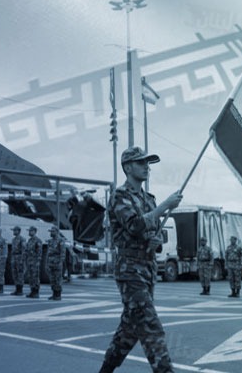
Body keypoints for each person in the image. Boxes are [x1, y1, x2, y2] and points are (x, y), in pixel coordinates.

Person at [98, 146, 182, 373]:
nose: (146, 167)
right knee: (150, 326)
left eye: (148, 163)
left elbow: (153, 233)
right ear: (127, 167)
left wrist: (156, 242)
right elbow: (134, 225)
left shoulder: (149, 199)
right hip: (130, 270)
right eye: (141, 162)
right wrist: (166, 206)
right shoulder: (120, 196)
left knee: (129, 329)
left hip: (148, 268)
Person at [44, 227, 66, 300]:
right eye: (51, 231)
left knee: (58, 278)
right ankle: (54, 294)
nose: (51, 233)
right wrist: (46, 263)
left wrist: (61, 262)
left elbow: (62, 252)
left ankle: (58, 295)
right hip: (50, 262)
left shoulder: (61, 240)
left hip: (57, 262)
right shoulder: (50, 241)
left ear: (57, 232)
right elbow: (48, 253)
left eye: (52, 231)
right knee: (52, 278)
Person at [24, 226, 43, 298]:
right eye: (29, 231)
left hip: (35, 261)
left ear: (34, 231)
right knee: (30, 276)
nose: (29, 232)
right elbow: (26, 250)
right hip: (29, 261)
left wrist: (38, 261)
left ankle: (36, 292)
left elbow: (39, 252)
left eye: (30, 231)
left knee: (35, 276)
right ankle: (32, 291)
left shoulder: (38, 240)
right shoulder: (29, 240)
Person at [9, 226, 25, 296]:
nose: (14, 232)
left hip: (19, 257)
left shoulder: (22, 239)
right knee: (14, 274)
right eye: (13, 230)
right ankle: (16, 289)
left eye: (15, 230)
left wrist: (22, 259)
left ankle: (20, 290)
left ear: (19, 231)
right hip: (14, 257)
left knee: (20, 274)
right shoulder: (13, 239)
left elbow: (23, 249)